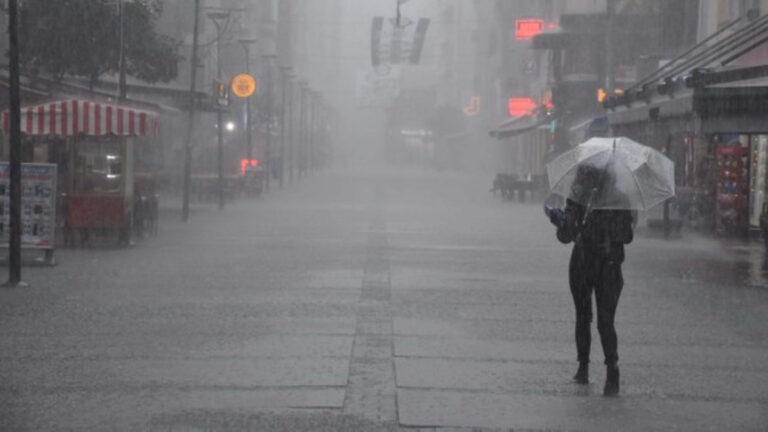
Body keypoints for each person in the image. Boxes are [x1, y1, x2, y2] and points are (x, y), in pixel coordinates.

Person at [546, 164, 634, 396]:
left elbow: (566, 235)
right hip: (610, 266)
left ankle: (583, 368)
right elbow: (628, 235)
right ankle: (612, 370)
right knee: (606, 321)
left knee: (583, 317)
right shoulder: (621, 198)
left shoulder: (579, 197)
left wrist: (557, 219)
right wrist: (610, 234)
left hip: (583, 264)